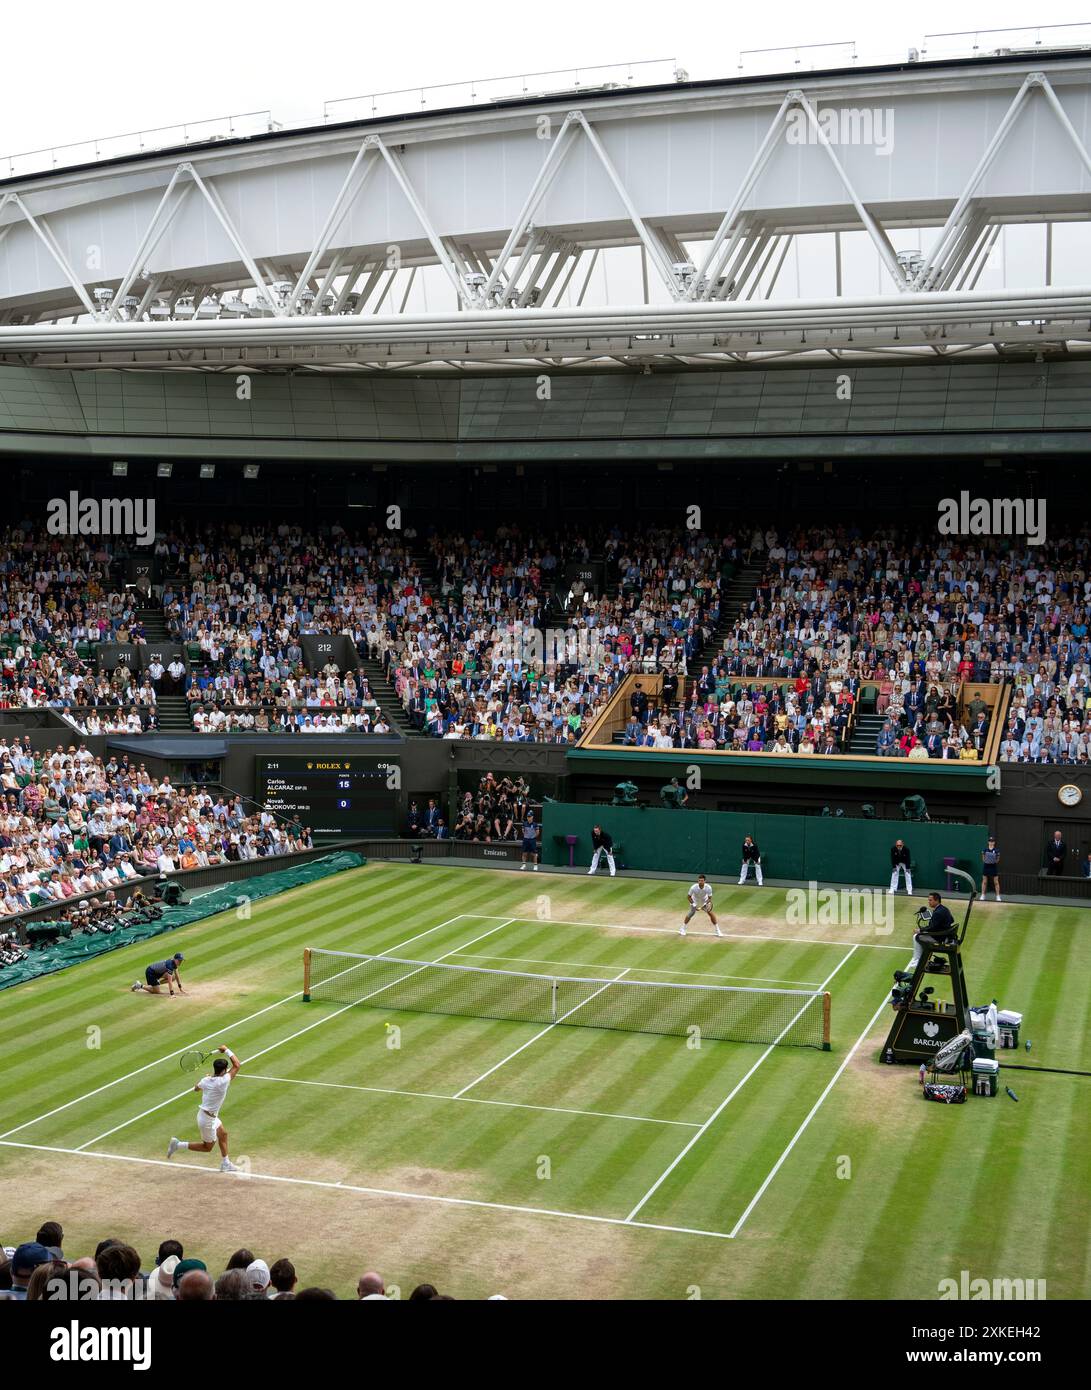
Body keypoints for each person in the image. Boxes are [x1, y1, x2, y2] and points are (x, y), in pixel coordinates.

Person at [166, 1044, 242, 1172]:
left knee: (223, 1134)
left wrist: (209, 1078)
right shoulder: (223, 1081)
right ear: (223, 1071)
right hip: (207, 1120)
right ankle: (177, 1145)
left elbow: (196, 1088)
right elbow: (237, 1065)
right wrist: (226, 1050)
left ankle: (226, 1163)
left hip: (208, 1115)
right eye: (226, 1069)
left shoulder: (206, 1080)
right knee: (207, 1147)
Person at [897, 891, 957, 974]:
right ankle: (920, 958)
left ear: (937, 901)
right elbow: (951, 920)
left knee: (916, 936)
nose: (928, 902)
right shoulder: (944, 909)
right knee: (920, 934)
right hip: (944, 935)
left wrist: (920, 930)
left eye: (930, 900)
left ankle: (917, 960)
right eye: (928, 900)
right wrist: (939, 925)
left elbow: (932, 928)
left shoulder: (938, 912)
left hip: (939, 938)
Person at [981, 836, 1002, 902]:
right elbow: (983, 858)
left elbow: (998, 859)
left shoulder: (996, 851)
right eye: (990, 841)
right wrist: (986, 861)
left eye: (992, 841)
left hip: (993, 867)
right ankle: (983, 895)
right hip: (986, 867)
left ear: (994, 843)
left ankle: (998, 896)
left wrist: (994, 862)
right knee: (984, 882)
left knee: (996, 882)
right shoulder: (985, 850)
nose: (991, 842)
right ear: (988, 842)